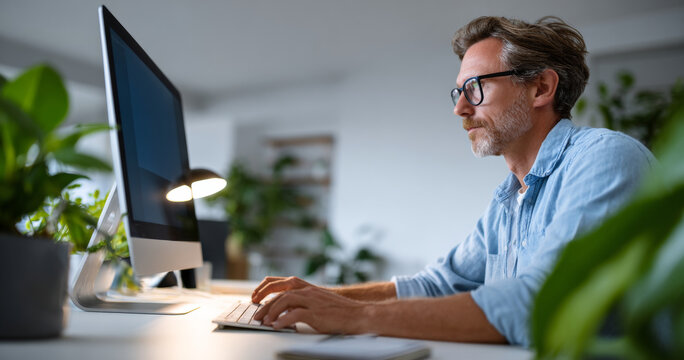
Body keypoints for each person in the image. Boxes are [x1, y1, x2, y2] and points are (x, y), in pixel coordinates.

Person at [251, 16, 655, 347]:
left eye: (476, 88)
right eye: (458, 92)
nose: (461, 108)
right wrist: (320, 297)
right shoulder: (509, 199)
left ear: (541, 88)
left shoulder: (605, 159)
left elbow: (543, 303)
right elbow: (439, 283)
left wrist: (352, 316)